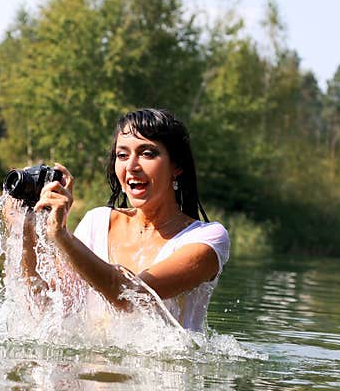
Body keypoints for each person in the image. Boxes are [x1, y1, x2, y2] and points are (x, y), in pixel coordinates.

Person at [25, 108, 230, 333]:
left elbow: (130, 297)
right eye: (122, 155)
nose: (131, 166)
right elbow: (49, 308)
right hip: (90, 365)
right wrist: (25, 227)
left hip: (163, 368)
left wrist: (61, 235)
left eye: (148, 153)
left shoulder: (207, 239)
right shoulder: (97, 222)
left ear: (176, 166)